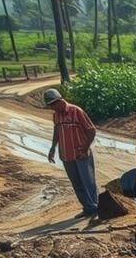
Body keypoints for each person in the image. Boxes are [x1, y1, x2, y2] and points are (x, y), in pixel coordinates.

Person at [42, 87, 98, 217]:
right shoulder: (56, 115)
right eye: (50, 106)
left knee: (88, 182)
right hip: (66, 155)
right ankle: (87, 208)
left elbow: (91, 130)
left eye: (53, 105)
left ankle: (96, 208)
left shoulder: (76, 111)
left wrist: (85, 147)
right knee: (77, 183)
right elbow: (57, 131)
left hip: (81, 154)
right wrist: (52, 148)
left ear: (60, 101)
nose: (52, 108)